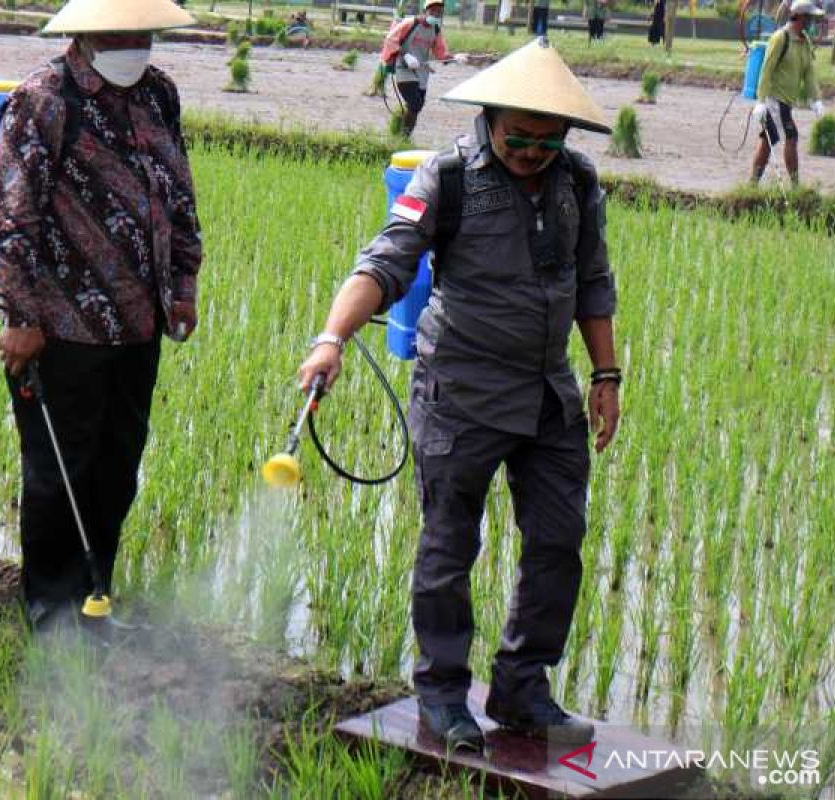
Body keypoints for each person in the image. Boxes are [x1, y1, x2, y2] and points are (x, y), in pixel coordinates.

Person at [298, 38, 619, 752]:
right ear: (491, 118)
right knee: (449, 547)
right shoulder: (446, 176)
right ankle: (443, 694)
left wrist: (605, 375)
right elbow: (384, 263)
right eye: (517, 138)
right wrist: (332, 338)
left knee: (560, 541)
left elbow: (593, 280)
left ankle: (522, 689)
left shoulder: (578, 181)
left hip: (547, 394)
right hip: (461, 392)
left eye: (546, 139)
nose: (532, 152)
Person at [0, 0, 203, 629]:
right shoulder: (44, 100)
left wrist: (183, 283)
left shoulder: (158, 92)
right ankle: (50, 613)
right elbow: (13, 217)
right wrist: (21, 316)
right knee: (60, 476)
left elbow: (177, 192)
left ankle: (94, 594)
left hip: (139, 323)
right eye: (120, 33)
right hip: (62, 328)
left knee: (118, 468)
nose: (134, 43)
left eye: (144, 33)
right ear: (84, 34)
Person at [750, 0, 825, 187]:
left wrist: (816, 100)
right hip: (775, 99)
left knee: (768, 141)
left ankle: (752, 184)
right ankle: (795, 186)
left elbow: (809, 72)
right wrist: (760, 101)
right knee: (791, 137)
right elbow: (766, 70)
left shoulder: (804, 41)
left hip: (787, 102)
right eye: (808, 18)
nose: (811, 22)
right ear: (798, 17)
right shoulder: (780, 38)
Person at [379, 0, 467, 137]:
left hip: (422, 73)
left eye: (438, 12)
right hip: (404, 69)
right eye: (433, 11)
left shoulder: (435, 30)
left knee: (417, 107)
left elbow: (441, 54)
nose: (435, 14)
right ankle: (403, 136)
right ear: (425, 10)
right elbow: (390, 40)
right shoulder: (410, 23)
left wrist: (455, 58)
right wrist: (406, 55)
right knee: (415, 103)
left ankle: (402, 137)